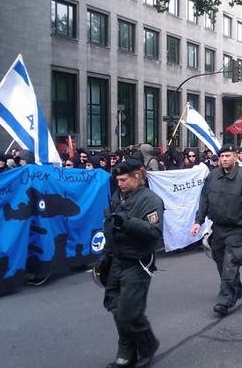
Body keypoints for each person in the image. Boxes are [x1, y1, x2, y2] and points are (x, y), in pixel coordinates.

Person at [190, 144, 242, 316]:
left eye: (228, 156)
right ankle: (234, 287)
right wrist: (198, 221)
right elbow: (204, 199)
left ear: (235, 156)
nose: (224, 159)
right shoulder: (212, 177)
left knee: (231, 262)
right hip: (218, 227)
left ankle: (225, 300)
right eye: (222, 156)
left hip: (238, 228)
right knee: (219, 259)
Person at [102, 157, 164, 368]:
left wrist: (128, 223)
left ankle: (147, 345)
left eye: (123, 179)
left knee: (129, 312)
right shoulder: (117, 197)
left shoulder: (151, 200)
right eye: (117, 180)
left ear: (137, 176)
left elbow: (154, 233)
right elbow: (108, 226)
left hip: (138, 262)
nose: (119, 184)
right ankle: (127, 352)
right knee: (115, 307)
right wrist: (105, 254)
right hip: (116, 261)